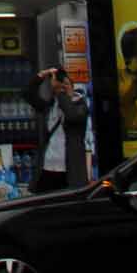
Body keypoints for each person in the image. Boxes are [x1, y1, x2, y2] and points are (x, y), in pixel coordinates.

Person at [27, 65, 90, 193]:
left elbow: (72, 115)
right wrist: (42, 75)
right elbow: (28, 95)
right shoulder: (51, 105)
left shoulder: (80, 104)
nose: (63, 87)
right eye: (60, 84)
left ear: (71, 85)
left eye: (66, 84)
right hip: (48, 167)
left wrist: (61, 93)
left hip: (69, 170)